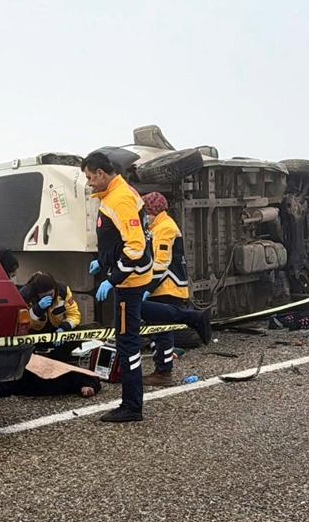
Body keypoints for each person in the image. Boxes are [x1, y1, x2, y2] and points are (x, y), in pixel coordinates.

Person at [81, 150, 153, 423]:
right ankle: (131, 403)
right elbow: (118, 240)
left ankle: (131, 406)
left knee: (127, 344)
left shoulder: (120, 198)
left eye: (89, 177)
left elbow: (135, 246)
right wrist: (103, 261)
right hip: (129, 278)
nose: (88, 183)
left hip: (130, 282)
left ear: (101, 173)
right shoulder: (114, 194)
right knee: (127, 338)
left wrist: (113, 279)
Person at [137, 191, 213, 387]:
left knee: (162, 330)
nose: (144, 217)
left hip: (167, 286)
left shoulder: (164, 228)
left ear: (152, 210)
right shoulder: (157, 227)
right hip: (164, 286)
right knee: (159, 330)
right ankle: (162, 369)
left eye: (145, 212)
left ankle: (163, 372)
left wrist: (147, 286)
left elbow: (162, 263)